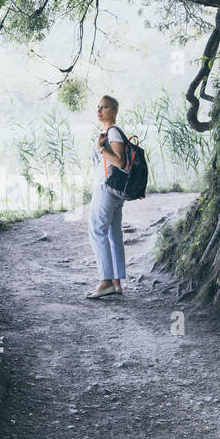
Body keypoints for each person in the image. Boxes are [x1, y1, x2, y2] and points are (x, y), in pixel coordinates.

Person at [86, 95, 128, 299]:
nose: (100, 110)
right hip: (112, 190)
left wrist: (101, 149)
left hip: (106, 188)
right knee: (113, 233)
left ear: (115, 111)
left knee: (97, 231)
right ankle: (116, 283)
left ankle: (105, 282)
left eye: (105, 107)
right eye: (98, 107)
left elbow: (120, 162)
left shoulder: (113, 133)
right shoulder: (107, 132)